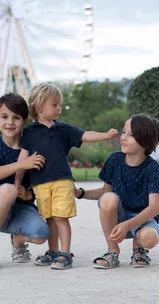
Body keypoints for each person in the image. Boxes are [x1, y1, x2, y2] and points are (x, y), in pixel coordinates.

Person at [14, 83, 118, 270]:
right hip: (40, 184)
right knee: (50, 218)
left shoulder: (64, 129)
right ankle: (53, 251)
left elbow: (86, 135)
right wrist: (17, 181)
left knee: (61, 217)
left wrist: (106, 135)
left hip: (62, 181)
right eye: (54, 105)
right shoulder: (29, 133)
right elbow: (23, 158)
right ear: (38, 106)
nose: (59, 108)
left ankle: (65, 252)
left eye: (60, 104)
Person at [74, 114, 159, 269]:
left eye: (131, 135)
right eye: (124, 132)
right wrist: (80, 193)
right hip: (119, 216)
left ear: (145, 140)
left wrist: (127, 225)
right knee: (108, 198)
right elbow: (105, 192)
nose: (123, 137)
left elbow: (154, 208)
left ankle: (139, 248)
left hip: (142, 218)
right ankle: (112, 250)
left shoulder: (153, 168)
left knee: (150, 238)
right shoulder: (115, 160)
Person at [0, 93, 50, 270]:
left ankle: (18, 240)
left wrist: (29, 194)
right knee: (8, 189)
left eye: (16, 117)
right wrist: (21, 164)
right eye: (4, 117)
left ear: (24, 121)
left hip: (21, 208)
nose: (9, 122)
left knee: (41, 233)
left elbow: (43, 184)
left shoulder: (34, 150)